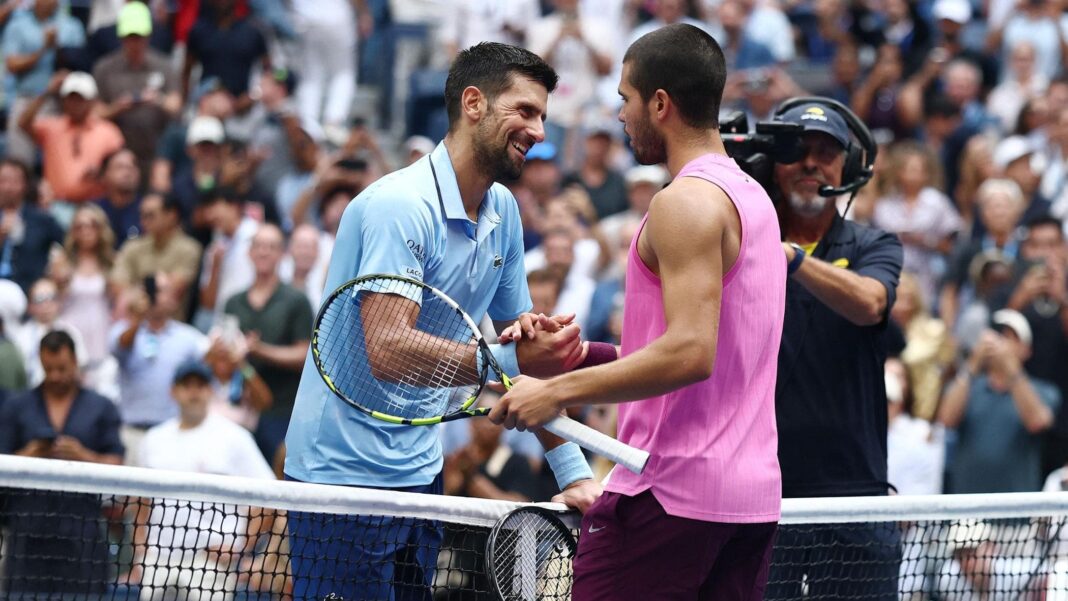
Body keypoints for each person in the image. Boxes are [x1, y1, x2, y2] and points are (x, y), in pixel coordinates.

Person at [282, 42, 598, 600]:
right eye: (524, 111)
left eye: (543, 115)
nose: (539, 131)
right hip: (342, 478)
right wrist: (509, 360)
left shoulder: (502, 211)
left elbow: (524, 348)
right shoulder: (398, 206)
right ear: (473, 103)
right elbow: (388, 349)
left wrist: (572, 472)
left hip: (422, 474)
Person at [491, 24, 785, 600]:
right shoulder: (755, 200)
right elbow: (716, 356)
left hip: (669, 497)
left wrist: (555, 391)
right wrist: (585, 354)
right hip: (749, 505)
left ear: (660, 104)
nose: (620, 114)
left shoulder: (684, 203)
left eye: (625, 98)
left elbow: (690, 354)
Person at [761, 98, 904, 600]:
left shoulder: (874, 245)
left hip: (855, 498)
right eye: (797, 149)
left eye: (826, 152)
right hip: (762, 495)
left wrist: (791, 259)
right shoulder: (740, 239)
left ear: (850, 167)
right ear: (773, 164)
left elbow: (871, 303)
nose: (810, 162)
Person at [132, 359, 276, 601]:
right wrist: (140, 551)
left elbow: (270, 498)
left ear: (210, 390)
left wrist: (241, 547)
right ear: (173, 391)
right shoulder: (153, 440)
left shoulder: (235, 437)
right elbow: (139, 501)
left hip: (211, 564)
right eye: (187, 385)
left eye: (200, 385)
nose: (194, 392)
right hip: (158, 559)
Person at [0, 330, 123, 597]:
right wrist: (32, 453)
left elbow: (117, 463)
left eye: (62, 368)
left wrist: (82, 455)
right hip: (27, 531)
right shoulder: (16, 406)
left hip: (82, 531)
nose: (55, 376)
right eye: (49, 369)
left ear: (76, 361)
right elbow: (2, 463)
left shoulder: (101, 407)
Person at [222, 224, 313, 465]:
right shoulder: (233, 302)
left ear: (283, 254)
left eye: (271, 247)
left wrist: (259, 349)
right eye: (258, 246)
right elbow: (224, 358)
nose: (264, 252)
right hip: (240, 410)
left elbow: (306, 354)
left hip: (284, 411)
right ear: (249, 252)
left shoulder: (296, 300)